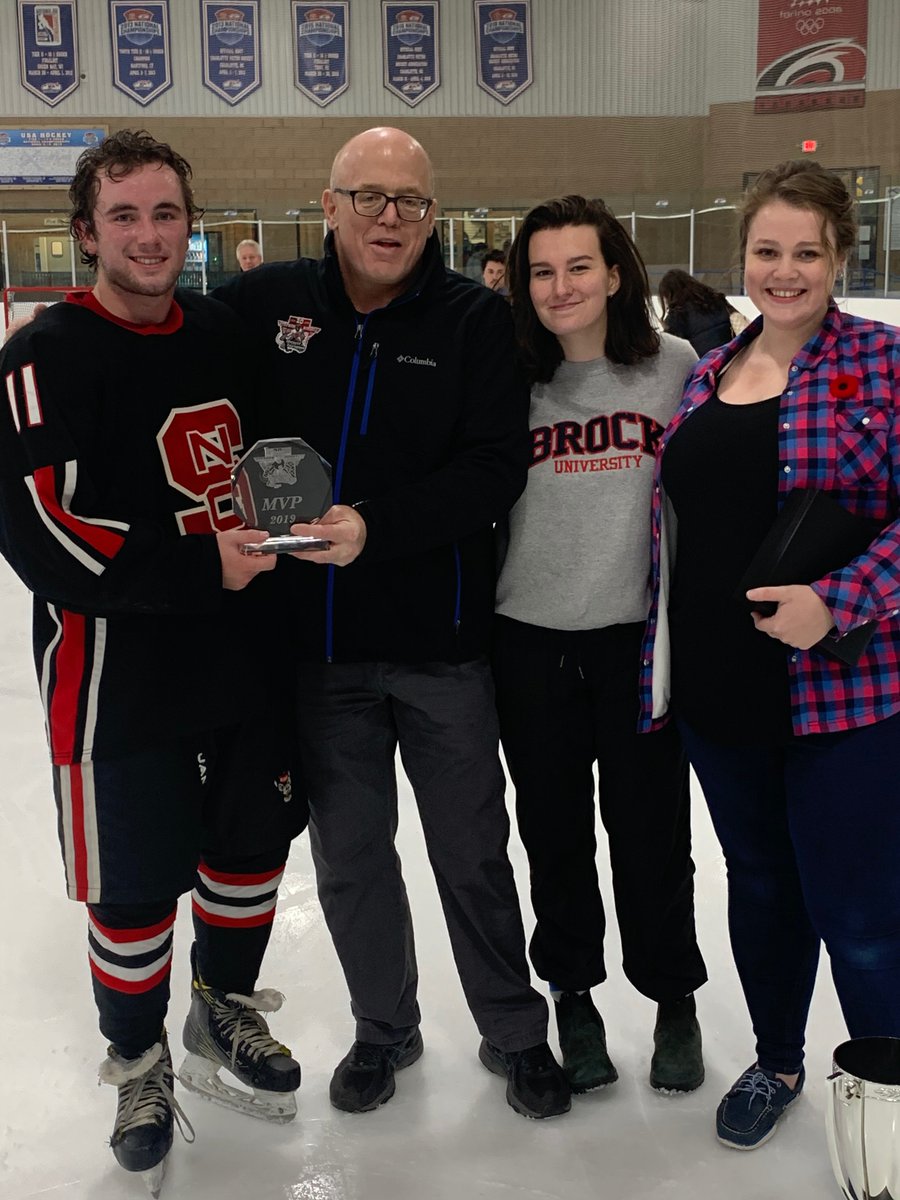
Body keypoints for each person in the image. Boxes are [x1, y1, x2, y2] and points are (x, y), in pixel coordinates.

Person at [213, 127, 570, 1120]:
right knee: (351, 857)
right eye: (366, 196)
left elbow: (494, 468)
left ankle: (515, 1031)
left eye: (409, 200)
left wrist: (378, 527)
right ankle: (383, 1028)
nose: (388, 217)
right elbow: (174, 365)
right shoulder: (267, 304)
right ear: (328, 205)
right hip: (320, 653)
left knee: (471, 851)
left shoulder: (473, 319)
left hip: (440, 649)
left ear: (432, 213)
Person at [0, 130, 306, 1193]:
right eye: (123, 216)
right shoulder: (43, 355)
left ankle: (222, 1009)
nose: (147, 235)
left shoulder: (221, 332)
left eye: (165, 213)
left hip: (243, 657)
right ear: (85, 233)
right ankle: (137, 1062)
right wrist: (201, 563)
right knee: (131, 892)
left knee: (249, 853)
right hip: (115, 676)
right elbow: (47, 533)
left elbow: (274, 468)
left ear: (190, 224)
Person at [640, 160, 900, 1150]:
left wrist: (839, 600)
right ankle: (778, 1059)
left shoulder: (884, 362)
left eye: (807, 253)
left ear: (839, 258)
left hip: (845, 696)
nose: (784, 272)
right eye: (766, 251)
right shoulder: (708, 373)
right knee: (759, 884)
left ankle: (886, 1096)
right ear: (742, 256)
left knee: (860, 912)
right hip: (723, 691)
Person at [491, 194, 707, 1098]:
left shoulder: (675, 366)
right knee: (554, 835)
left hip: (637, 647)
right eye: (542, 271)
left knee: (652, 836)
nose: (561, 287)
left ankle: (673, 998)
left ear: (615, 274)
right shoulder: (507, 377)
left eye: (579, 267)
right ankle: (572, 995)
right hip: (529, 643)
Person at [657, 268, 744, 357]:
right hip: (733, 356)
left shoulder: (677, 315)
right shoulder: (717, 299)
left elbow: (670, 350)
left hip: (707, 362)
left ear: (668, 295)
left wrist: (666, 327)